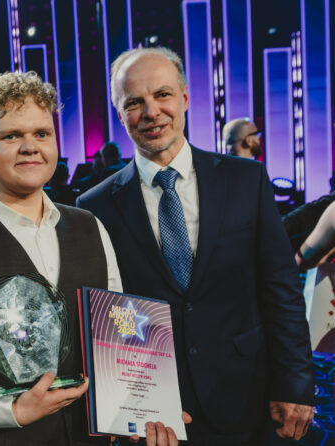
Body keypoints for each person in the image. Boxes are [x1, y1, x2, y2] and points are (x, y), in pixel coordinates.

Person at [0, 71, 182, 446]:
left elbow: (117, 339)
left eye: (41, 134)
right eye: (11, 136)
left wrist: (141, 412)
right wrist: (9, 410)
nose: (29, 147)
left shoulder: (90, 227)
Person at [77, 47, 314, 445]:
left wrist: (295, 384)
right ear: (120, 114)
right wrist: (125, 409)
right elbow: (108, 313)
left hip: (248, 393)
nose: (151, 112)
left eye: (162, 95)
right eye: (134, 103)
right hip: (157, 414)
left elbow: (282, 289)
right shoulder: (95, 205)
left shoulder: (246, 180)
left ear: (185, 98)